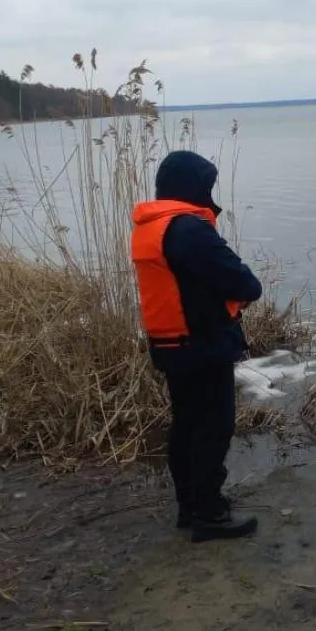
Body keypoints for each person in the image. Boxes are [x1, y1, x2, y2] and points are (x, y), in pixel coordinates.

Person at [130, 150, 264, 543]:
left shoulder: (150, 226)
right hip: (202, 345)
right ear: (193, 188)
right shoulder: (188, 230)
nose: (210, 194)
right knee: (212, 428)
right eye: (206, 186)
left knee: (187, 426)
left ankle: (189, 507)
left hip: (170, 345)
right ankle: (210, 514)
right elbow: (245, 285)